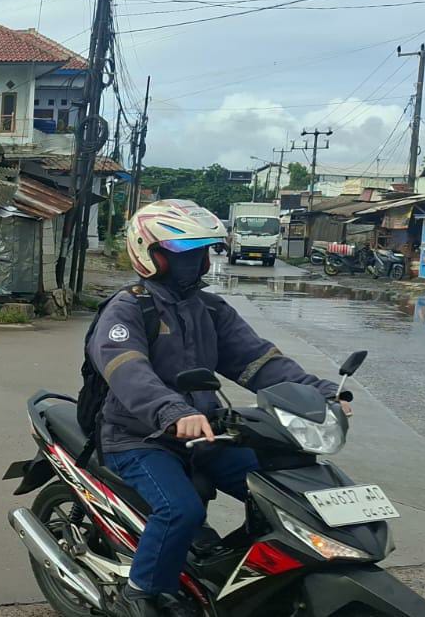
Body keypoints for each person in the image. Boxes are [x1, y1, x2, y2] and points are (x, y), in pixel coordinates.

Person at [91, 199, 350, 617]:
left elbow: (258, 361)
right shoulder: (128, 308)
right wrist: (172, 412)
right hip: (140, 438)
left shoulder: (210, 309)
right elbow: (127, 370)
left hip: (208, 434)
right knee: (180, 510)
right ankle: (139, 593)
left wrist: (320, 393)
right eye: (182, 252)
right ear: (149, 254)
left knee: (277, 487)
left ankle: (239, 573)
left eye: (200, 252)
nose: (194, 262)